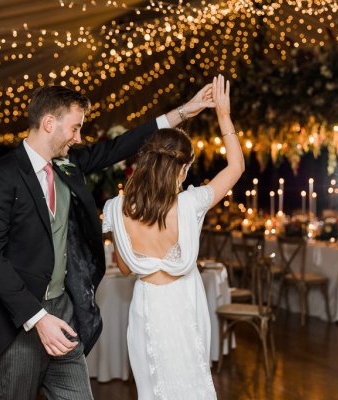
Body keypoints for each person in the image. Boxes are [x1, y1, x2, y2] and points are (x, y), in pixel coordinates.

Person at [0, 83, 214, 399]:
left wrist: (184, 112)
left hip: (64, 312)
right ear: (48, 123)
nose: (79, 138)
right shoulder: (1, 175)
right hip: (18, 321)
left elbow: (119, 146)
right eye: (75, 128)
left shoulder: (68, 164)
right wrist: (38, 318)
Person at [102, 75, 244, 399]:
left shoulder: (115, 209)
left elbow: (124, 269)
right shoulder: (191, 204)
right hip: (184, 304)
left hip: (146, 308)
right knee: (193, 386)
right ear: (182, 169)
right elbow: (236, 166)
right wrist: (223, 113)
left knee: (152, 391)